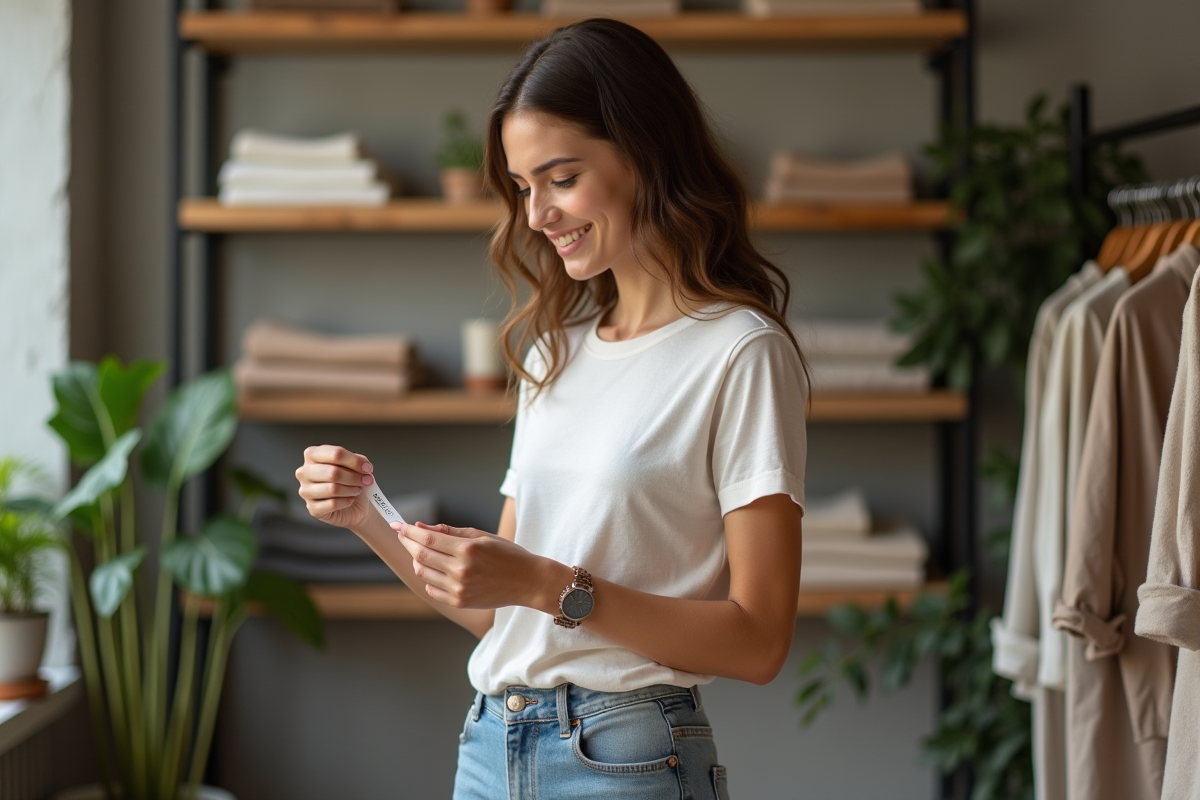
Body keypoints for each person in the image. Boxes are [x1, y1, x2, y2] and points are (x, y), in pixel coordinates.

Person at [295, 18, 807, 800]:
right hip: (489, 746)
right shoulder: (552, 354)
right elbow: (502, 618)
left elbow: (760, 639)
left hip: (627, 757)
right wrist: (367, 516)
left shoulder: (740, 352)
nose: (536, 215)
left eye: (561, 178)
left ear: (646, 153)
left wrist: (547, 585)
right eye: (524, 187)